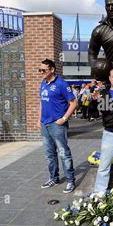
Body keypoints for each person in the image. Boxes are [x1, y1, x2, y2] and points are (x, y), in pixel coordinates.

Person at [39, 59, 78, 193]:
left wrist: (64, 118)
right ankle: (53, 178)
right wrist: (40, 119)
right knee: (49, 154)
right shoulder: (43, 83)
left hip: (57, 124)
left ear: (52, 70)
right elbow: (42, 102)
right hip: (45, 125)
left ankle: (70, 181)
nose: (41, 72)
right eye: (40, 70)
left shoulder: (61, 84)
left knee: (63, 153)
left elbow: (73, 103)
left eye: (43, 70)